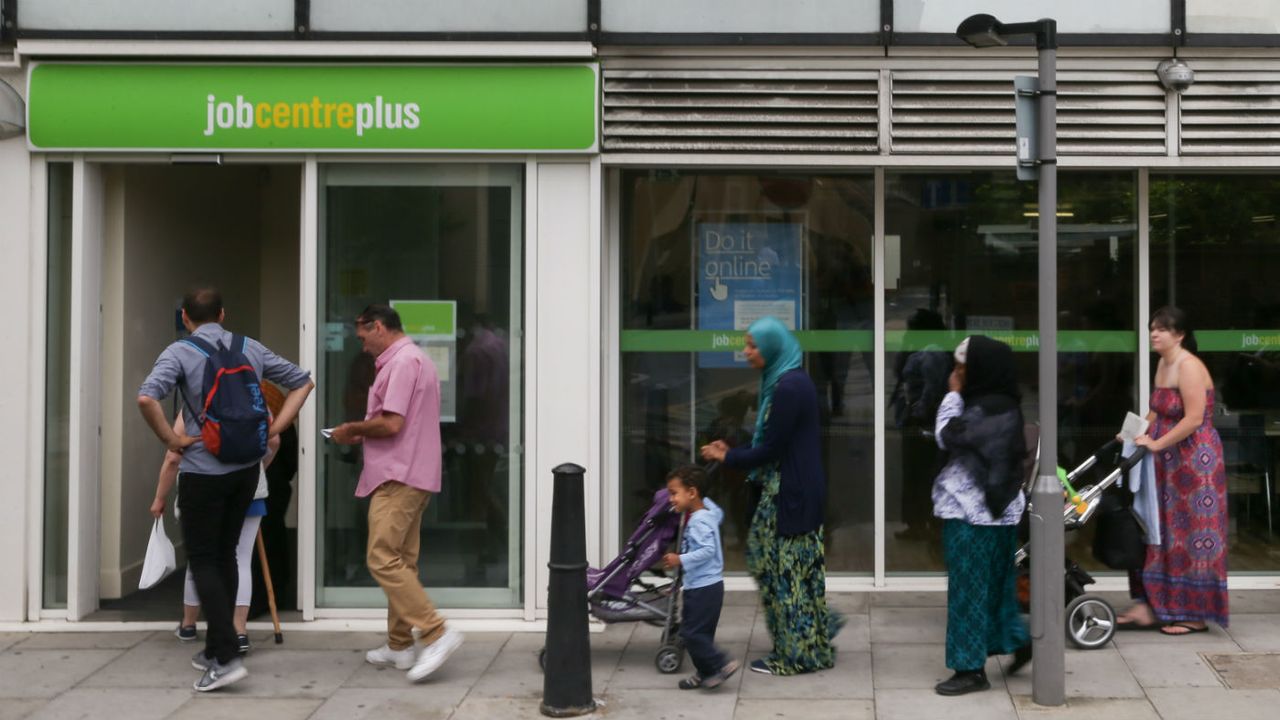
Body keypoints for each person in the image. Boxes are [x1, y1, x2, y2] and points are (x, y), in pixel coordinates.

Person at [137, 286, 313, 692]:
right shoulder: (250, 347)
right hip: (246, 470)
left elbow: (147, 398)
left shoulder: (179, 352)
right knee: (229, 556)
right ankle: (219, 647)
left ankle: (227, 656)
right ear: (222, 313)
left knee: (203, 560)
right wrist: (278, 426)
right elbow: (303, 382)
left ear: (186, 317)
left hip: (202, 472)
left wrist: (171, 439)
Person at [330, 304, 463, 683]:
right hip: (410, 471)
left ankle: (437, 632)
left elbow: (391, 423)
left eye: (363, 336)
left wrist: (351, 430)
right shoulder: (410, 358)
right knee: (402, 559)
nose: (362, 345)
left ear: (378, 327)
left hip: (400, 475)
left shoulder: (403, 362)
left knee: (382, 558)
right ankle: (400, 644)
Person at [699, 316, 838, 676]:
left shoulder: (788, 388)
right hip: (791, 488)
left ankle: (797, 655)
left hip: (789, 493)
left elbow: (771, 448)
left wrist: (727, 456)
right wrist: (732, 448)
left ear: (772, 347)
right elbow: (770, 440)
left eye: (752, 345)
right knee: (778, 565)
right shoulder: (784, 380)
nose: (745, 352)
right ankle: (813, 634)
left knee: (783, 573)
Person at [1116, 306, 1229, 635]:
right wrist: (1131, 433)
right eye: (1153, 328)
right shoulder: (1164, 364)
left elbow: (1194, 418)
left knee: (1193, 533)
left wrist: (1157, 443)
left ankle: (1194, 614)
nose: (1154, 334)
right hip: (1169, 457)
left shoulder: (1189, 366)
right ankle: (1160, 604)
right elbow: (1155, 411)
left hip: (1195, 462)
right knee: (1164, 529)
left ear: (1179, 335)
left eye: (1162, 329)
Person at [931, 335, 1031, 696]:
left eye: (962, 368)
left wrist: (953, 395)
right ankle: (1015, 639)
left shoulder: (984, 408)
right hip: (999, 514)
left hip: (972, 516)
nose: (955, 374)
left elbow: (946, 437)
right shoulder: (1003, 404)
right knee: (995, 590)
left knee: (967, 592)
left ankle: (970, 669)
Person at [153, 405, 280, 655]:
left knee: (201, 559)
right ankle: (239, 631)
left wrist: (160, 497)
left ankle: (189, 624)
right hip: (248, 488)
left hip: (203, 487)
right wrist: (259, 469)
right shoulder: (253, 396)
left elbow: (173, 456)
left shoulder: (194, 401)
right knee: (241, 559)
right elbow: (274, 440)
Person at [661, 465, 740, 691]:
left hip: (704, 588)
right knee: (700, 634)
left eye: (674, 493)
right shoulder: (708, 513)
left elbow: (707, 550)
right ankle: (706, 673)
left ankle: (721, 663)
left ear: (692, 493)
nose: (670, 499)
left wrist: (680, 559)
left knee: (691, 633)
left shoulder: (698, 521)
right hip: (706, 586)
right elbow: (719, 513)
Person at [891, 309, 951, 541]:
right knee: (917, 473)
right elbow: (900, 370)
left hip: (923, 422)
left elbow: (932, 389)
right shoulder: (919, 349)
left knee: (924, 473)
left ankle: (927, 523)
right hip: (917, 420)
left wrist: (917, 413)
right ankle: (918, 523)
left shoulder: (932, 353)